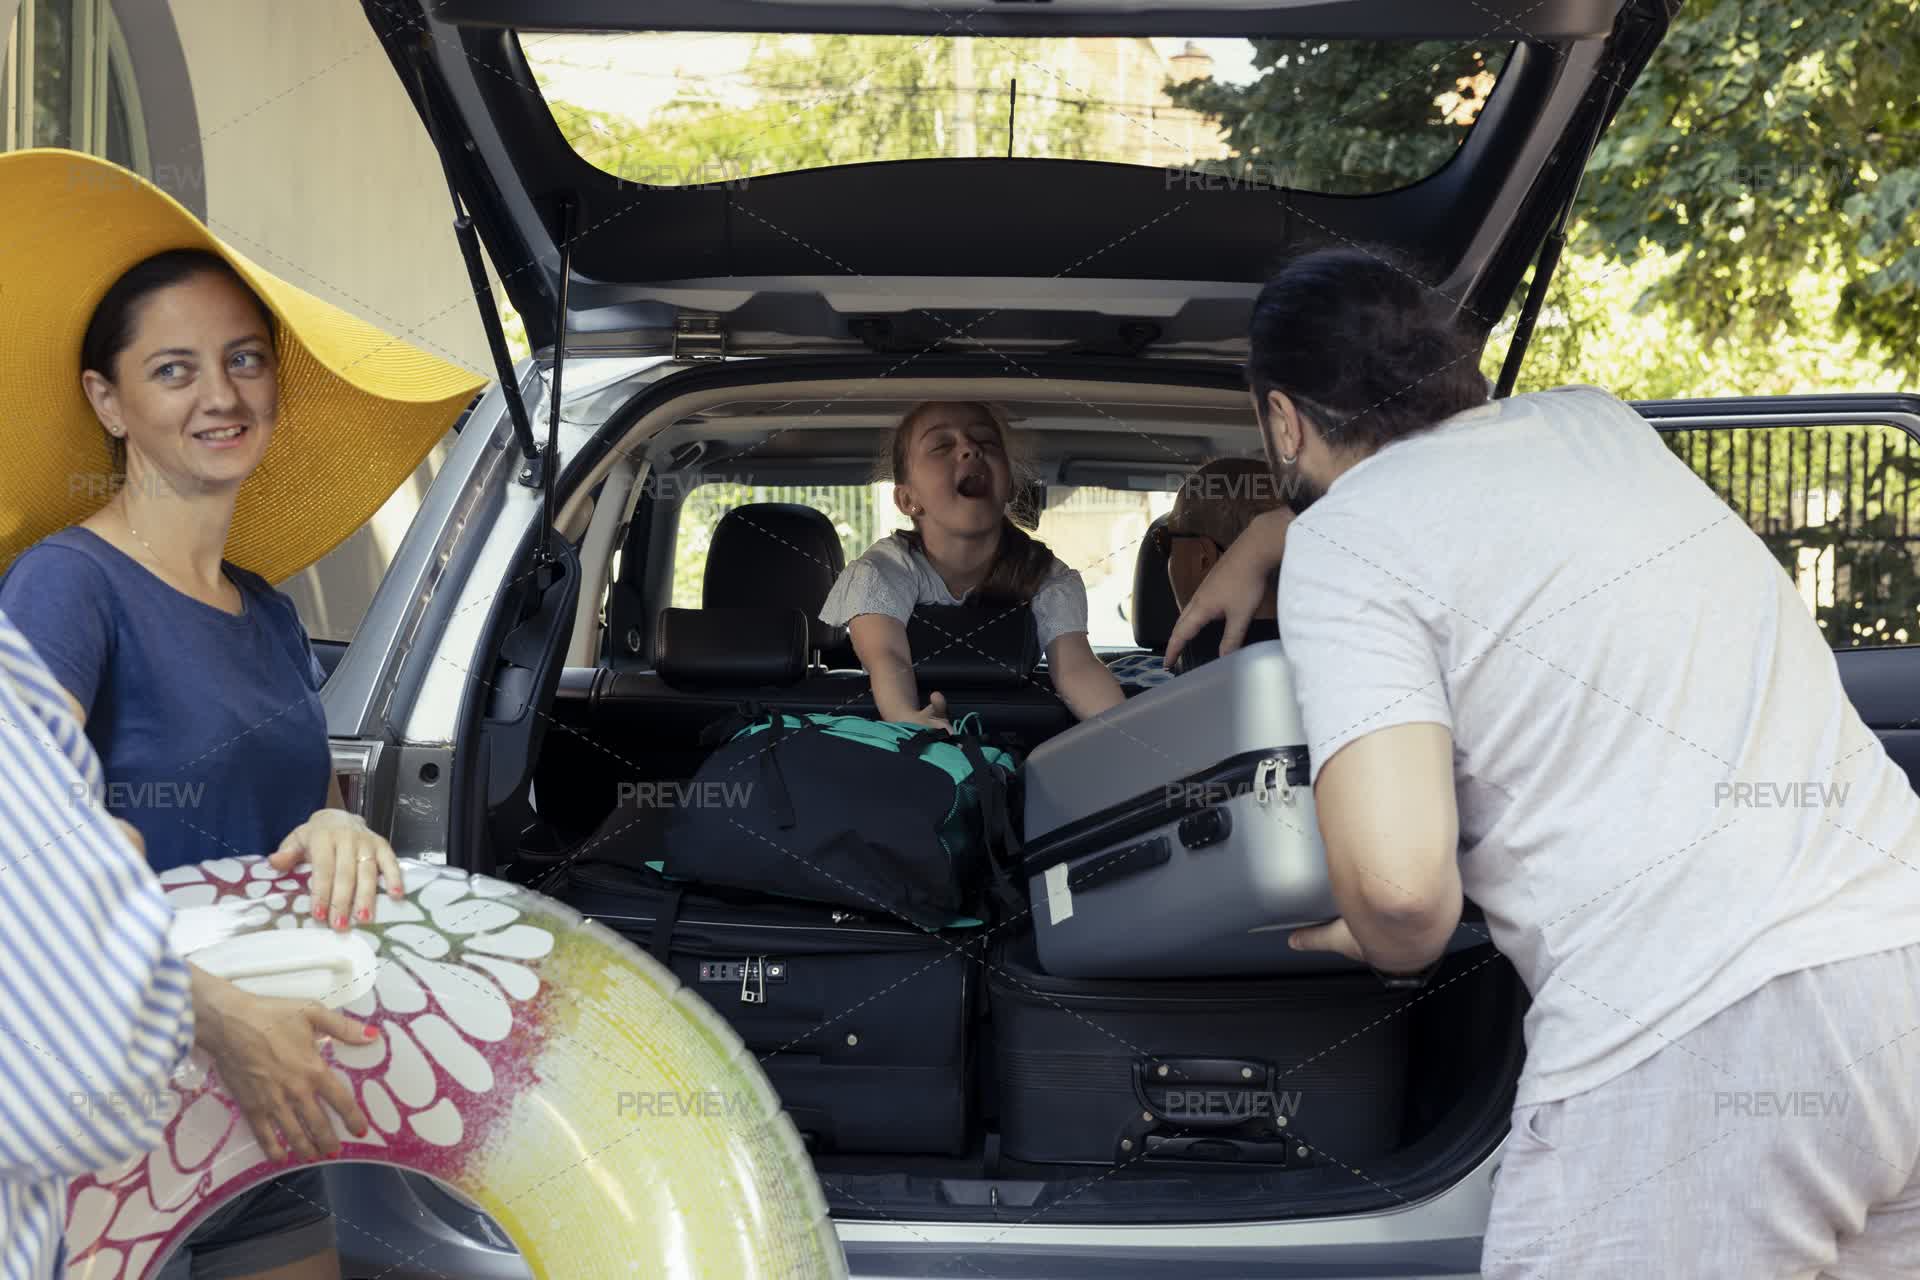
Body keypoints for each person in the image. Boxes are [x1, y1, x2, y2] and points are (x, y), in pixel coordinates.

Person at [1165, 244, 1920, 1276]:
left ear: (1284, 421)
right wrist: (1271, 531)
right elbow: (1476, 519)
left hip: (1692, 1032)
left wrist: (1366, 935)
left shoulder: (1350, 543)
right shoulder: (1595, 422)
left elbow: (1401, 892)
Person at [0, 150, 484, 1280]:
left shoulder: (268, 614)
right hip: (106, 1117)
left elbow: (285, 818)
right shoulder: (66, 587)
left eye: (243, 360)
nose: (220, 394)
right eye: (173, 369)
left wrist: (338, 828)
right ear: (107, 399)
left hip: (266, 1105)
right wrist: (203, 1006)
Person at [820, 400, 1126, 727]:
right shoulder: (883, 569)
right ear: (908, 499)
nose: (970, 449)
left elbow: (1075, 668)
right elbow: (886, 657)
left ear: (1009, 485)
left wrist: (1128, 735)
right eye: (941, 445)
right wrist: (905, 716)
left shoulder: (1048, 577)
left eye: (987, 442)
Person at [1106, 456, 1292, 688]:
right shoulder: (1332, 665)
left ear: (1203, 557)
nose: (1164, 557)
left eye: (1165, 540)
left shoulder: (1117, 687)